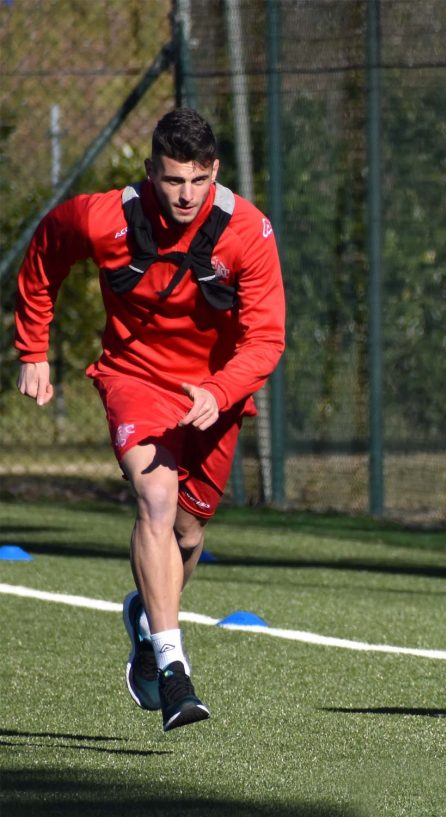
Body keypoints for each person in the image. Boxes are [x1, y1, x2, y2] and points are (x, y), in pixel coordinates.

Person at [14, 108, 286, 731]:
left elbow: (266, 339)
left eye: (197, 180)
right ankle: (173, 669)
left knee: (187, 535)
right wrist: (33, 348)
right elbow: (43, 258)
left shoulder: (248, 231)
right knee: (155, 499)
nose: (185, 195)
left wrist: (219, 392)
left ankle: (145, 616)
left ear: (214, 172)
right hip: (135, 379)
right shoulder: (101, 215)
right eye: (171, 181)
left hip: (213, 396)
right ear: (150, 174)